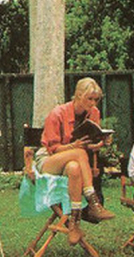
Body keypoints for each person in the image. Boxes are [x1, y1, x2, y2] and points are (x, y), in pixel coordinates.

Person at [35, 77, 116, 246]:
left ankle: (74, 223)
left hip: (75, 161)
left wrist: (101, 142)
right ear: (78, 95)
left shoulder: (94, 113)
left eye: (96, 99)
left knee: (74, 168)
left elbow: (91, 146)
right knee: (78, 153)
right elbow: (52, 148)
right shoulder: (58, 113)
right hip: (49, 159)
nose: (93, 103)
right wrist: (73, 146)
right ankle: (93, 202)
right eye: (90, 99)